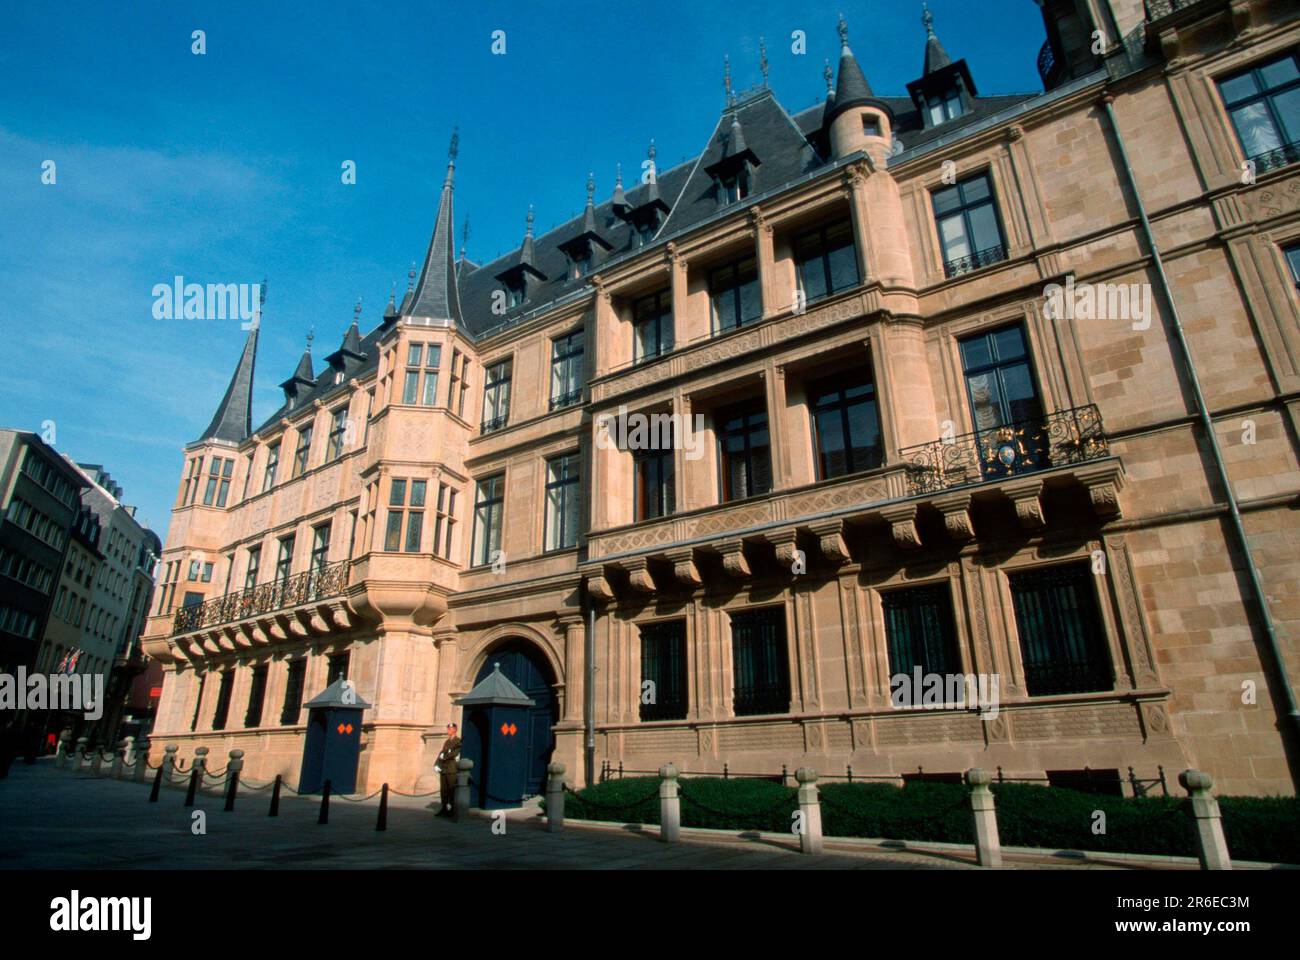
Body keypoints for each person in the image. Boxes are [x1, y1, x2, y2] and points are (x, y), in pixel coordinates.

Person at [435, 722, 461, 816]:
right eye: (448, 729)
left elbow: (454, 753)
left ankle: (453, 809)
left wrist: (444, 756)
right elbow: (442, 752)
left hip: (451, 769)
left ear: (454, 730)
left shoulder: (458, 741)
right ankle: (444, 808)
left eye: (449, 729)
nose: (448, 731)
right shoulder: (447, 741)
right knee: (444, 790)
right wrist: (437, 763)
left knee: (451, 790)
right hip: (444, 769)